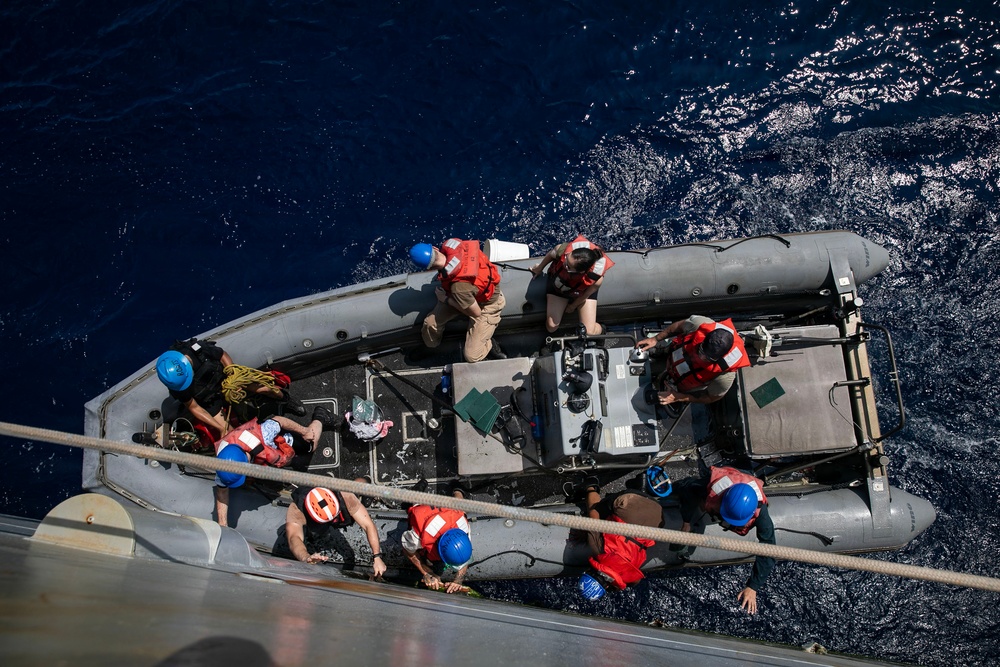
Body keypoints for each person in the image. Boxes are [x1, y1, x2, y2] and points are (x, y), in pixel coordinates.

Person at [156, 337, 301, 443]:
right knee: (228, 432)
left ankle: (285, 400)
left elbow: (222, 355)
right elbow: (194, 407)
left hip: (225, 377)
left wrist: (233, 375)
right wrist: (219, 427)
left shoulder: (199, 350)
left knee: (264, 388)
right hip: (208, 398)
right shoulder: (177, 384)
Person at [673, 465, 776, 614]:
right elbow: (688, 489)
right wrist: (686, 521)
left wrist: (753, 586)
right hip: (727, 476)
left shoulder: (761, 512)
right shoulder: (715, 490)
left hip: (742, 479)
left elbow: (769, 548)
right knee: (684, 485)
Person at [213, 407, 335, 527]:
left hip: (282, 442)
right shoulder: (223, 464)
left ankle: (320, 416)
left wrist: (304, 432)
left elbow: (279, 421)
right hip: (270, 459)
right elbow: (222, 491)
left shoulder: (264, 434)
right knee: (287, 463)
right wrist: (223, 524)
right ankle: (289, 462)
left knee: (310, 446)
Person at [409, 239, 506, 363]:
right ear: (435, 248)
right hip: (463, 297)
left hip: (485, 305)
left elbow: (476, 313)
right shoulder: (452, 243)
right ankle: (431, 347)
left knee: (472, 356)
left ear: (428, 269)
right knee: (430, 323)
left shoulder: (459, 288)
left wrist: (445, 299)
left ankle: (488, 344)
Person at [575, 480, 664, 601]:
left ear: (606, 586)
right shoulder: (599, 550)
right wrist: (590, 490)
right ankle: (591, 484)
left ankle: (641, 488)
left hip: (658, 511)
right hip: (630, 500)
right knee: (597, 510)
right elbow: (593, 515)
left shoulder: (631, 573)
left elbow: (634, 581)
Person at [635, 315, 750, 405]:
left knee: (657, 397)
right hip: (674, 354)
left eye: (707, 358)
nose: (700, 357)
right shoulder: (699, 324)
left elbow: (712, 397)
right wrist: (655, 339)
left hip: (680, 384)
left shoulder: (725, 376)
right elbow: (679, 326)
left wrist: (679, 397)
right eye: (701, 351)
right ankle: (663, 351)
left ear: (719, 359)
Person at [284, 486, 387, 578]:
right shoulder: (296, 509)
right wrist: (306, 558)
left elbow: (368, 525)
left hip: (344, 507)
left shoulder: (345, 496)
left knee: (357, 485)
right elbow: (293, 538)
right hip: (317, 527)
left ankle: (364, 480)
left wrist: (377, 557)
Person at [529, 235, 614, 336]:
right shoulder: (563, 250)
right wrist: (539, 268)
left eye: (568, 266)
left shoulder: (595, 278)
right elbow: (551, 255)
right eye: (566, 259)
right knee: (552, 326)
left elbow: (586, 295)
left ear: (581, 271)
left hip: (581, 292)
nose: (564, 263)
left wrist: (573, 306)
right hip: (559, 287)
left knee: (589, 331)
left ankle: (602, 329)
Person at [401, 485, 473, 593]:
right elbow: (407, 550)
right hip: (424, 511)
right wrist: (427, 572)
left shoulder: (463, 527)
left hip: (450, 512)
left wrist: (458, 580)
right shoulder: (417, 537)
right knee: (416, 506)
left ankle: (458, 490)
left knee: (459, 508)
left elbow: (464, 556)